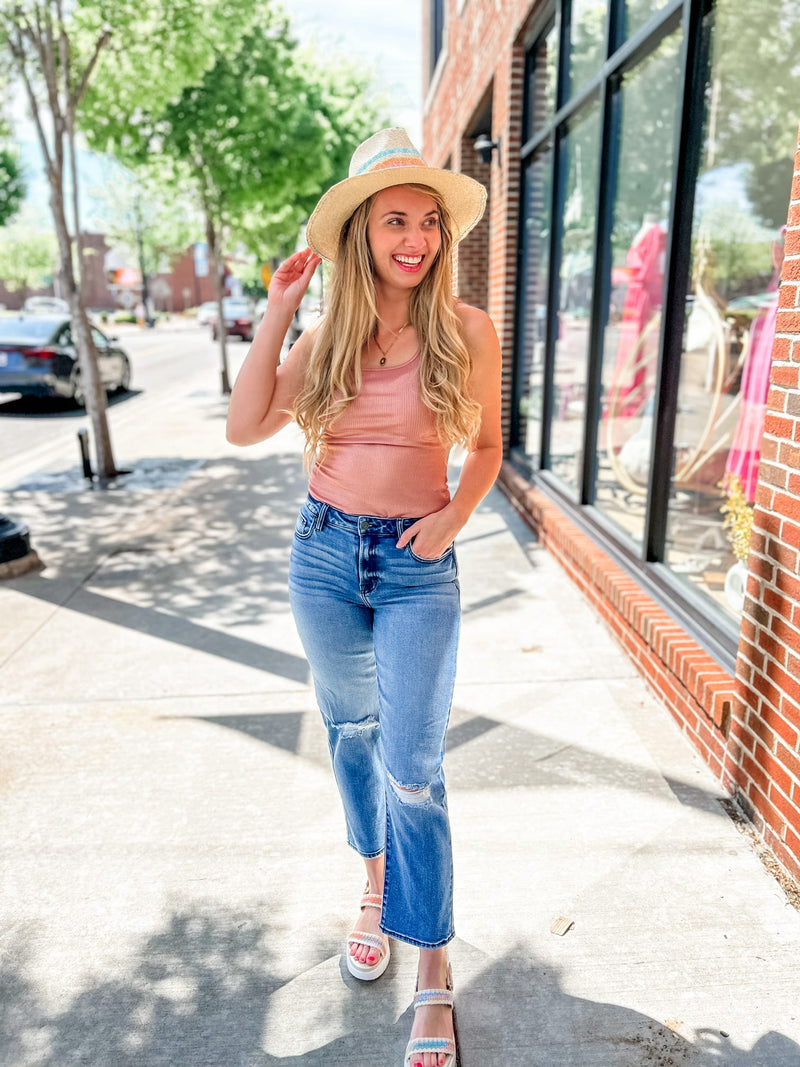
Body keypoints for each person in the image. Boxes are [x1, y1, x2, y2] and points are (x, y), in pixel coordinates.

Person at [226, 127, 502, 1067]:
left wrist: (454, 518)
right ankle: (374, 890)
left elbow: (491, 448)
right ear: (362, 231)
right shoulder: (328, 332)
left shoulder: (465, 328)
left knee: (415, 765)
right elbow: (244, 422)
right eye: (396, 219)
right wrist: (280, 308)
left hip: (421, 567)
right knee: (352, 734)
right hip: (325, 558)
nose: (416, 236)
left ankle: (434, 973)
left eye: (428, 219)